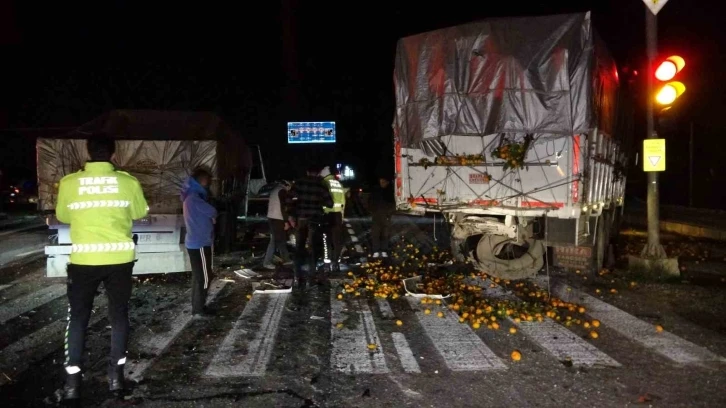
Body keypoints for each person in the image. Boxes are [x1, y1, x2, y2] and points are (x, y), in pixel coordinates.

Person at [55, 135, 148, 400]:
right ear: (113, 153)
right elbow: (140, 212)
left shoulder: (69, 182)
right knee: (119, 317)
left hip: (84, 262)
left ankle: (72, 385)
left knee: (78, 319)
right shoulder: (128, 182)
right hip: (119, 261)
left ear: (88, 151)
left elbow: (63, 215)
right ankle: (116, 381)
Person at [286, 165, 333, 289]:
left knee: (299, 247)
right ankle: (312, 276)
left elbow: (289, 199)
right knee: (313, 249)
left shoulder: (299, 183)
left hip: (301, 219)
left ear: (307, 171)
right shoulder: (321, 184)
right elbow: (330, 203)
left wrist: (291, 214)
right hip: (315, 220)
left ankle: (298, 275)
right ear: (318, 173)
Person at [181, 168, 218, 319]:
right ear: (201, 181)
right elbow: (212, 211)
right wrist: (213, 216)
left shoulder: (191, 197)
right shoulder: (195, 198)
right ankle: (199, 310)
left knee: (199, 277)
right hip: (200, 244)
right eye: (207, 180)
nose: (208, 183)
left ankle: (198, 307)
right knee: (204, 277)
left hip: (196, 242)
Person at [319, 166, 345, 272]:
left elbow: (320, 199)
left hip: (327, 214)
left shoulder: (324, 183)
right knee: (337, 240)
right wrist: (342, 215)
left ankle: (326, 264)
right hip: (338, 214)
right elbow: (343, 201)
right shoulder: (338, 183)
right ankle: (336, 263)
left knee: (327, 240)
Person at [262, 180, 293, 269]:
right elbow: (283, 207)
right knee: (274, 240)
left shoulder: (275, 190)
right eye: (289, 187)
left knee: (280, 239)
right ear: (286, 185)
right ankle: (267, 262)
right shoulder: (282, 191)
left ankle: (286, 259)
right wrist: (286, 221)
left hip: (271, 217)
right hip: (277, 218)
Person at [368, 176, 396, 258]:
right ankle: (376, 250)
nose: (382, 183)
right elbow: (370, 202)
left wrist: (389, 214)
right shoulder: (376, 191)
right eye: (381, 181)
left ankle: (384, 250)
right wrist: (372, 211)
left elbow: (393, 204)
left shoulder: (389, 192)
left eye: (383, 182)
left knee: (385, 234)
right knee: (375, 234)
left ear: (386, 182)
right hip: (376, 216)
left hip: (385, 216)